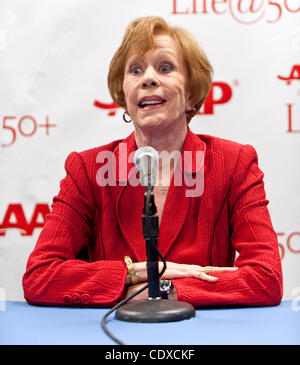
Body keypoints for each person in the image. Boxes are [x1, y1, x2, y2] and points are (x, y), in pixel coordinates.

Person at [22, 16, 283, 308]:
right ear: (124, 95)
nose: (148, 78)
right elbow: (40, 276)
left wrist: (166, 288)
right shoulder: (88, 169)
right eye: (135, 70)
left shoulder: (233, 164)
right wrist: (133, 274)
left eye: (165, 67)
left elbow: (266, 278)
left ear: (191, 94)